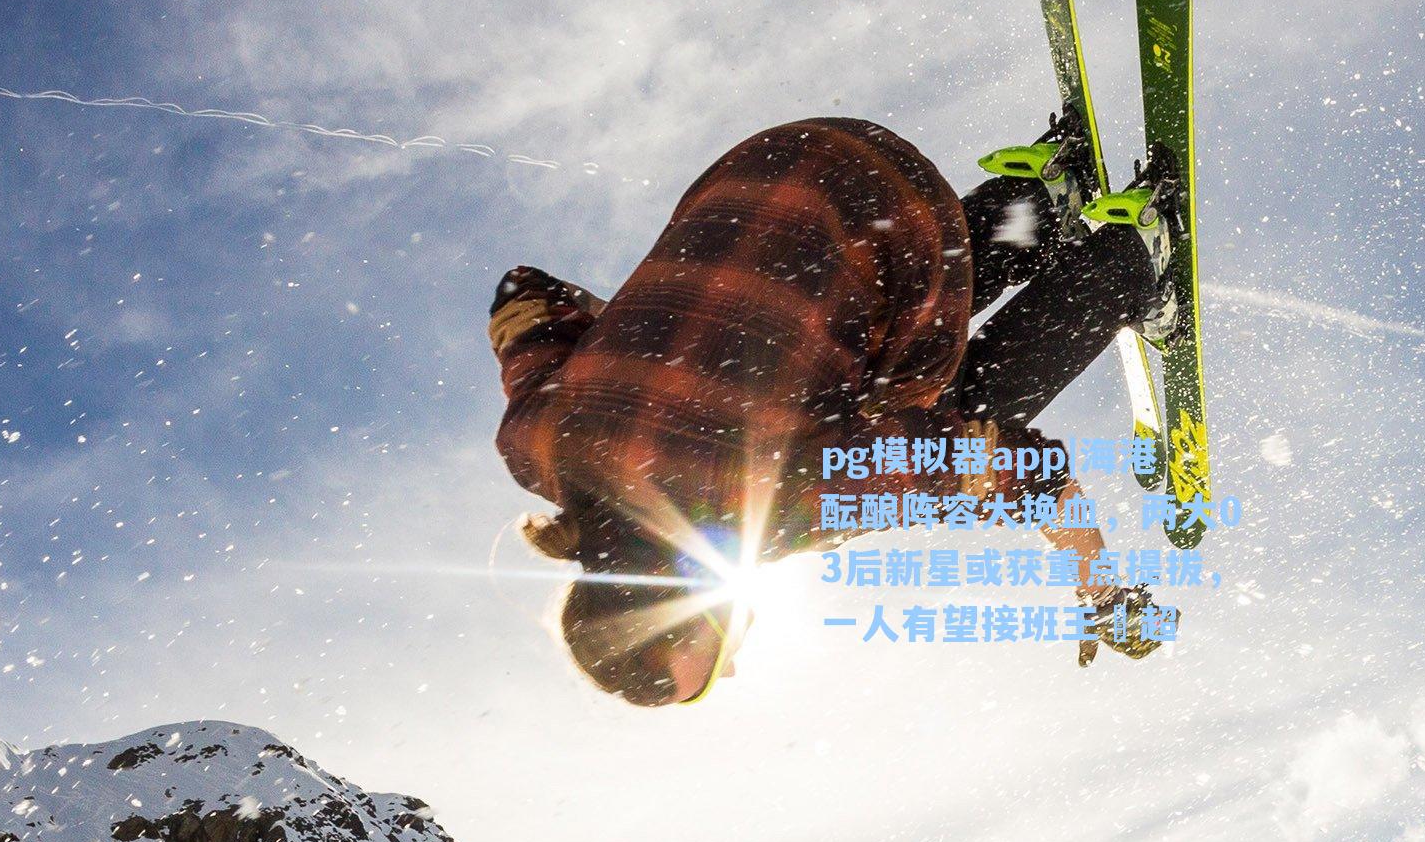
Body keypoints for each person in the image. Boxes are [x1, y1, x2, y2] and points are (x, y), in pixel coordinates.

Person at [489, 117, 1171, 705]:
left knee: (943, 414)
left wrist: (1102, 592)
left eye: (701, 679)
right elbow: (520, 293)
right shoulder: (537, 446)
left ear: (678, 615)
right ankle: (1040, 198)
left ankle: (1126, 262)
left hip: (906, 206)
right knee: (845, 328)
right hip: (778, 162)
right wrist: (667, 348)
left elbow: (1016, 465)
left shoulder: (776, 504)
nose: (729, 673)